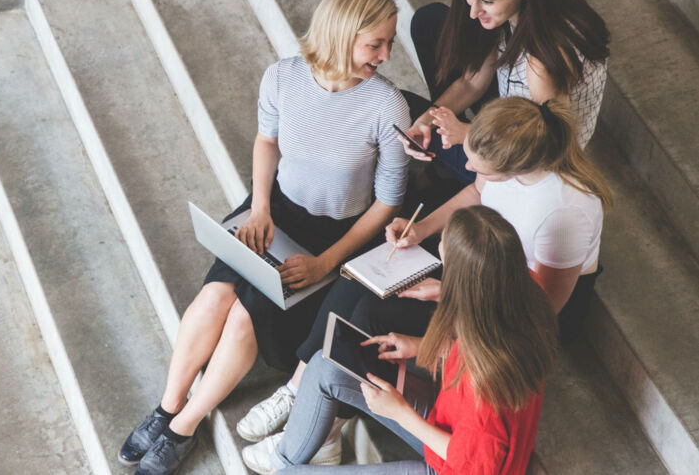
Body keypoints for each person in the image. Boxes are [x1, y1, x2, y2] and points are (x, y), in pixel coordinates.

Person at [120, 0, 411, 475]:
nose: (386, 55)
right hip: (274, 210)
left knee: (241, 317)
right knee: (215, 296)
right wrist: (258, 208)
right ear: (341, 34)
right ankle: (166, 407)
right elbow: (265, 143)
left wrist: (326, 261)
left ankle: (182, 427)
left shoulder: (387, 106)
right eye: (375, 43)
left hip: (333, 238)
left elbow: (388, 202)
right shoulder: (282, 77)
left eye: (389, 42)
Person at [237, 96, 610, 450]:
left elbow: (540, 312)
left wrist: (448, 293)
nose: (467, 169)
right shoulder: (506, 167)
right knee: (357, 281)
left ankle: (327, 428)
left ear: (512, 166)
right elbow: (476, 195)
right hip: (478, 269)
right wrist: (423, 228)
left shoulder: (563, 214)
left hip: (508, 309)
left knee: (372, 315)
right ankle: (297, 386)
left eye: (478, 167)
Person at [241, 205, 559, 474]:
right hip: (447, 417)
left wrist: (400, 412)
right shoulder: (523, 294)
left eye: (447, 266)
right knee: (325, 365)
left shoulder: (487, 384)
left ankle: (288, 463)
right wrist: (418, 345)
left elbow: (473, 464)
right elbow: (473, 346)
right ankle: (286, 457)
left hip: (452, 464)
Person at [401, 0, 609, 187]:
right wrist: (427, 120)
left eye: (487, 1)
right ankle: (449, 152)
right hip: (517, 106)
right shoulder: (536, 1)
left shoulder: (541, 61)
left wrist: (465, 135)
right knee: (431, 19)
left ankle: (452, 171)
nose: (473, 11)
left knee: (403, 106)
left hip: (528, 161)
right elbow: (471, 82)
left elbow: (549, 145)